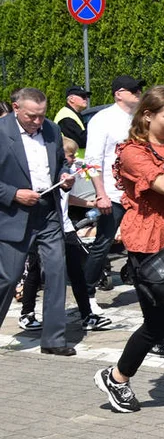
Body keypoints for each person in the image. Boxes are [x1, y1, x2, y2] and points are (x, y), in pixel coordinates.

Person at [93, 86, 164, 413]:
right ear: (147, 115)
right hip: (151, 247)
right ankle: (117, 376)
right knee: (158, 325)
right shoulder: (133, 153)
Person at [0, 88, 76, 354]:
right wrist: (14, 194)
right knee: (8, 278)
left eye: (42, 116)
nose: (37, 122)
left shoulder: (52, 130)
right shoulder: (1, 132)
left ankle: (54, 340)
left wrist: (66, 176)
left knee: (56, 274)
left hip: (48, 212)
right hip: (13, 215)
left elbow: (60, 164)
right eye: (32, 116)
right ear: (15, 108)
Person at [18, 137, 112, 333]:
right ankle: (27, 314)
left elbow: (68, 197)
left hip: (66, 227)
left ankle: (86, 315)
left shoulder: (68, 173)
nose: (73, 158)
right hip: (44, 228)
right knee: (35, 271)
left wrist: (91, 202)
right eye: (70, 155)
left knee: (76, 271)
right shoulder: (47, 173)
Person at [84, 75, 143, 295]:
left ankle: (139, 280)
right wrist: (101, 194)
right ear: (119, 93)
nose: (138, 93)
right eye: (133, 90)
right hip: (112, 193)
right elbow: (91, 161)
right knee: (103, 244)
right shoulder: (103, 119)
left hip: (137, 193)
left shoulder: (138, 119)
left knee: (139, 241)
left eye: (138, 90)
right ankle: (87, 293)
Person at [54, 86, 91, 150]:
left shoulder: (74, 114)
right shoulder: (66, 117)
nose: (86, 99)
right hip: (72, 158)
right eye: (83, 96)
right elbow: (81, 141)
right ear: (71, 99)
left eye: (87, 96)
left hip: (76, 158)